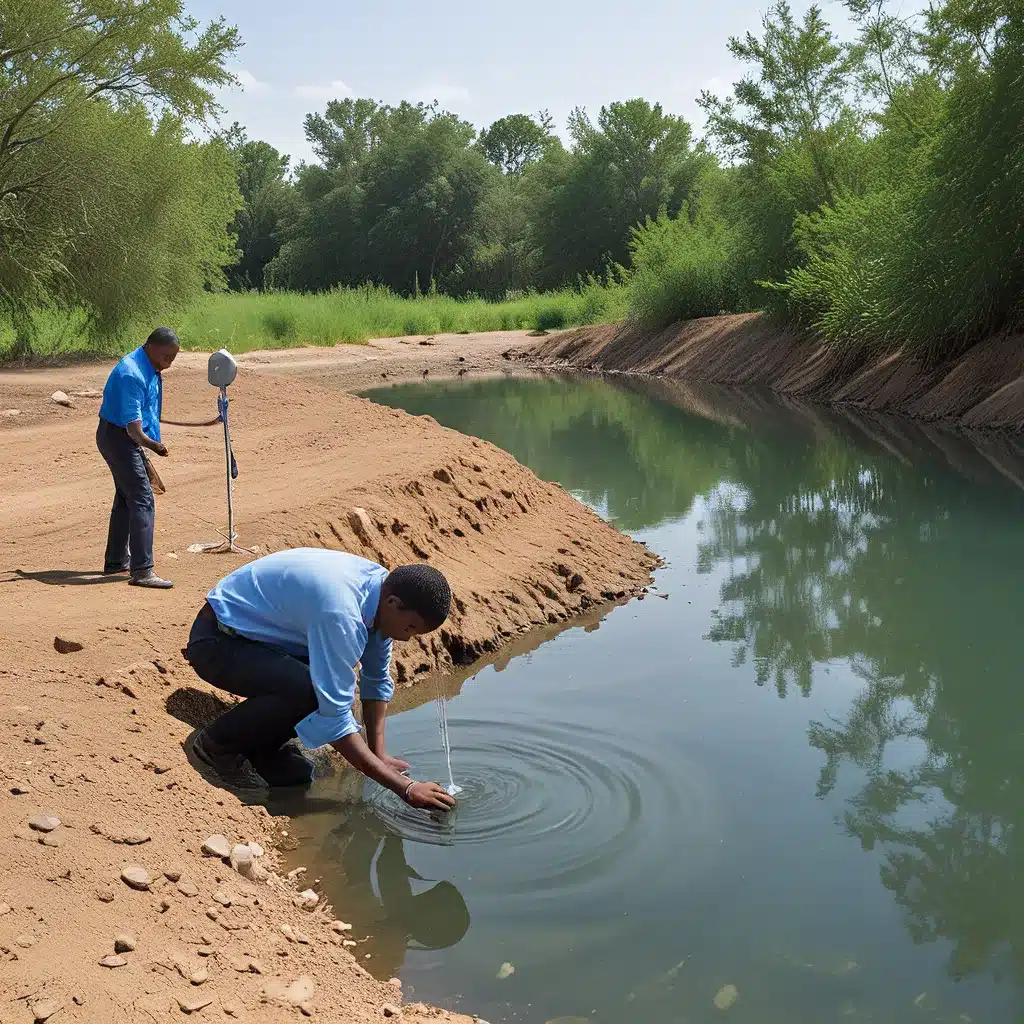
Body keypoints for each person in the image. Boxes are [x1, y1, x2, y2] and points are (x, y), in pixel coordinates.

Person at [182, 547, 458, 812]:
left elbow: (375, 679)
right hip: (217, 642)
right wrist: (405, 788)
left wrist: (379, 756)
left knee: (300, 759)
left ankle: (262, 746)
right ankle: (216, 747)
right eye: (410, 627)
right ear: (393, 603)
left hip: (263, 641)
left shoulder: (382, 596)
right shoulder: (342, 612)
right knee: (313, 691)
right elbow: (333, 716)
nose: (406, 638)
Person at [96, 326, 179, 589]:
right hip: (119, 438)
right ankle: (142, 570)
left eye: (173, 359)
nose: (168, 364)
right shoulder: (132, 373)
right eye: (166, 357)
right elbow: (134, 430)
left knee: (126, 497)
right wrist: (156, 447)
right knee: (143, 499)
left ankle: (116, 561)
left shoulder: (149, 366)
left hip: (120, 436)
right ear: (151, 347)